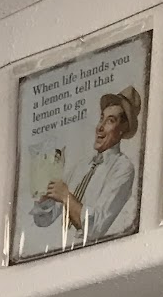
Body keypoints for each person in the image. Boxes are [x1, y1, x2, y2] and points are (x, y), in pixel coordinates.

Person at [40, 84, 140, 242]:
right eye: (101, 118)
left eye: (110, 121)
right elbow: (44, 220)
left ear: (123, 128)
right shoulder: (82, 165)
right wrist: (45, 193)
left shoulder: (123, 168)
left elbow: (96, 228)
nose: (100, 127)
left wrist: (66, 196)